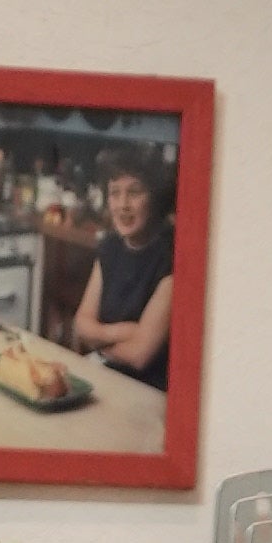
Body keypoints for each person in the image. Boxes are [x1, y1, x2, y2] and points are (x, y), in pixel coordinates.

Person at [67, 145, 173, 384]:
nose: (123, 205)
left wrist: (99, 343)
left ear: (154, 198)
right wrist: (124, 332)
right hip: (108, 373)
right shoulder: (110, 246)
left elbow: (140, 355)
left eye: (134, 192)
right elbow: (81, 324)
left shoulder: (171, 257)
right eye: (115, 193)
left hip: (148, 390)